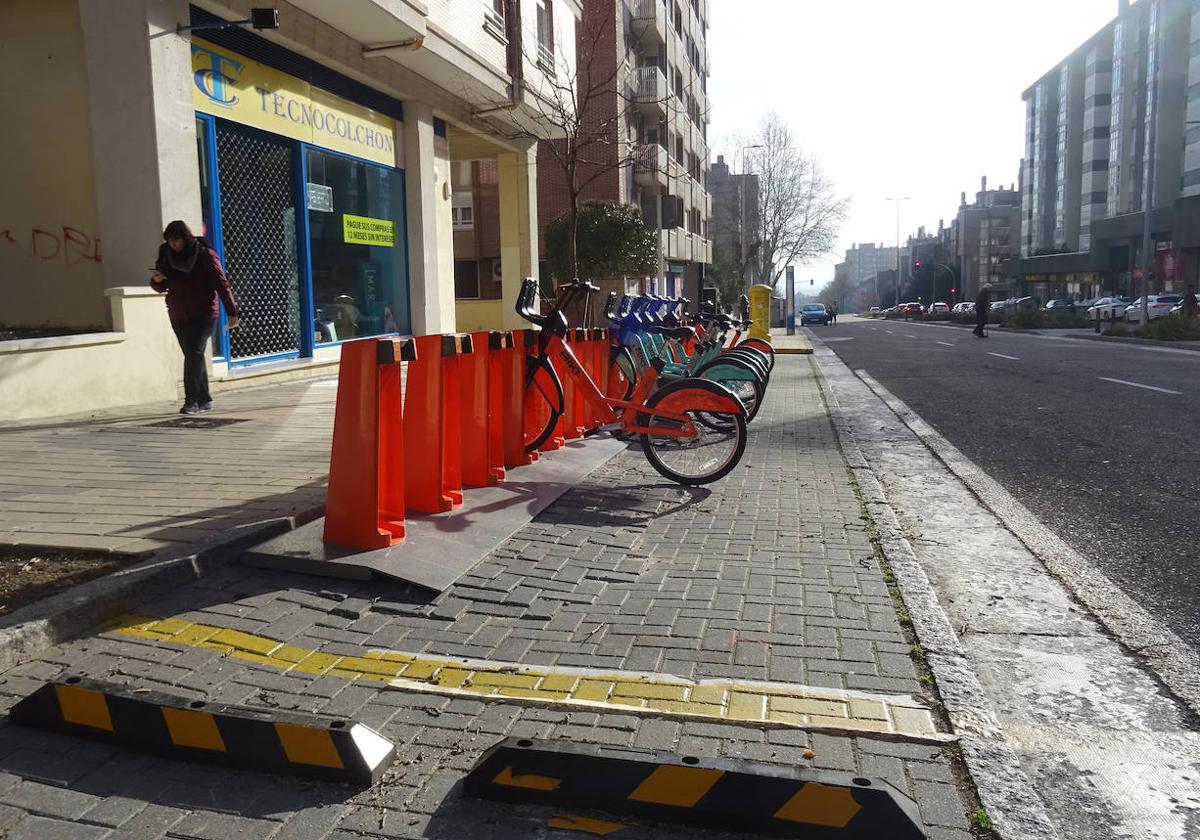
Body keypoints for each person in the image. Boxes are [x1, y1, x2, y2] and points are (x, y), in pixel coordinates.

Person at [150, 221, 239, 414]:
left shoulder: (204, 254)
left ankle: (191, 401)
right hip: (178, 312)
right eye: (170, 240)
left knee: (194, 354)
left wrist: (232, 312)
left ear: (186, 237)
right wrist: (156, 281)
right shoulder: (166, 254)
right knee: (193, 356)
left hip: (205, 313)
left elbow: (222, 284)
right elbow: (161, 286)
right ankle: (204, 399)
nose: (174, 244)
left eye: (177, 240)